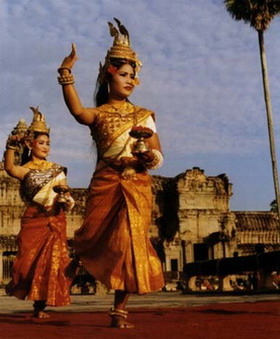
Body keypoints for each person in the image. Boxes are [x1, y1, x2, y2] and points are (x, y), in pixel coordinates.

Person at [57, 18, 165, 328]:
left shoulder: (144, 115)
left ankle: (119, 310)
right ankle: (80, 257)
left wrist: (147, 156)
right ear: (110, 75)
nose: (131, 80)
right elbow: (78, 112)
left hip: (136, 185)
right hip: (106, 182)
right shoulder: (99, 114)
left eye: (134, 76)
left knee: (130, 243)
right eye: (125, 75)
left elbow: (158, 154)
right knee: (93, 237)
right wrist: (66, 74)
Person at [4, 107, 75, 318]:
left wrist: (67, 201)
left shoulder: (57, 170)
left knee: (51, 264)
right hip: (33, 221)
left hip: (54, 219)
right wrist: (10, 145)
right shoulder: (25, 170)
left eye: (48, 143)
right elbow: (9, 168)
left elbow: (66, 191)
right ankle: (32, 298)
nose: (46, 147)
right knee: (28, 264)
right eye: (41, 143)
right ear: (30, 144)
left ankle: (40, 306)